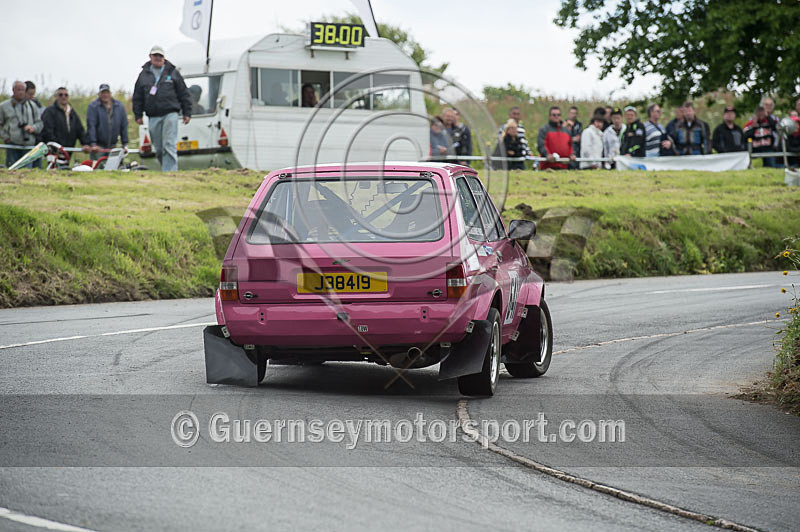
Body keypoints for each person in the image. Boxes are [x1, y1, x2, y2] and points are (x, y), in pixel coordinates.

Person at [132, 45, 192, 171]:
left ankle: (170, 173)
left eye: (160, 56)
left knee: (169, 144)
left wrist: (187, 112)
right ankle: (166, 169)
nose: (158, 58)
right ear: (150, 56)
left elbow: (184, 93)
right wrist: (138, 115)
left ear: (164, 57)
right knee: (158, 148)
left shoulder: (172, 72)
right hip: (153, 115)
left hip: (170, 113)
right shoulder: (143, 75)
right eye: (155, 55)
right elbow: (137, 96)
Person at [0, 80, 43, 168]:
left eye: (23, 90)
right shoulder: (4, 106)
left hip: (29, 145)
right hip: (12, 145)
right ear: (13, 90)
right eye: (18, 90)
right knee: (12, 170)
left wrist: (33, 128)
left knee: (27, 171)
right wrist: (6, 137)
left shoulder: (32, 106)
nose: (21, 92)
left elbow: (40, 123)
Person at [40, 87, 90, 159]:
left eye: (66, 95)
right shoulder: (50, 111)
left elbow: (79, 129)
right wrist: (56, 147)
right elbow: (48, 131)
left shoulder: (72, 112)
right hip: (54, 151)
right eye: (61, 95)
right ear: (56, 97)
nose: (63, 97)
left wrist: (85, 143)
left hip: (68, 151)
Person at [86, 83, 129, 159]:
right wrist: (93, 144)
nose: (105, 95)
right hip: (98, 147)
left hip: (113, 146)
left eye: (107, 93)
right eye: (103, 93)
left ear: (110, 94)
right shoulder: (93, 106)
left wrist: (125, 144)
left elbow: (124, 126)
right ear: (99, 94)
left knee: (115, 165)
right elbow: (91, 126)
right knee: (98, 165)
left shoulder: (119, 106)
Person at [537, 106, 574, 170]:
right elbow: (541, 145)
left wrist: (572, 154)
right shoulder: (544, 129)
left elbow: (571, 145)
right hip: (547, 167)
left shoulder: (567, 131)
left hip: (564, 167)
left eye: (558, 115)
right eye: (554, 115)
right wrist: (547, 154)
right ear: (549, 116)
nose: (556, 117)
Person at [25, 81, 44, 167]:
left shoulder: (37, 105)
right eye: (30, 94)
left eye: (33, 94)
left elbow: (40, 122)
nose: (32, 97)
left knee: (37, 168)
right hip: (22, 142)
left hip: (36, 141)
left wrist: (34, 128)